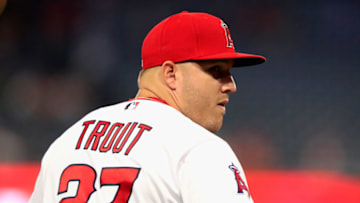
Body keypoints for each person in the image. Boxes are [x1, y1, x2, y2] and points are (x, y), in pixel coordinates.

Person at [30, 11, 266, 203]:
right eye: (216, 71)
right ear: (171, 74)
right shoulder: (198, 148)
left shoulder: (68, 141)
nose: (230, 85)